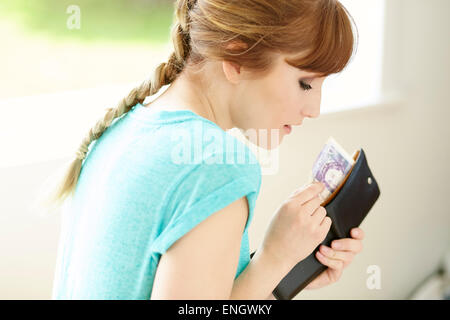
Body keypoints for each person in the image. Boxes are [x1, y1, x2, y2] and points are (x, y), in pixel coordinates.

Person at [47, 0, 365, 299]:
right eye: (305, 84)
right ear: (237, 57)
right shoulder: (215, 165)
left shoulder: (122, 129)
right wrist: (274, 259)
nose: (315, 109)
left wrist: (283, 272)